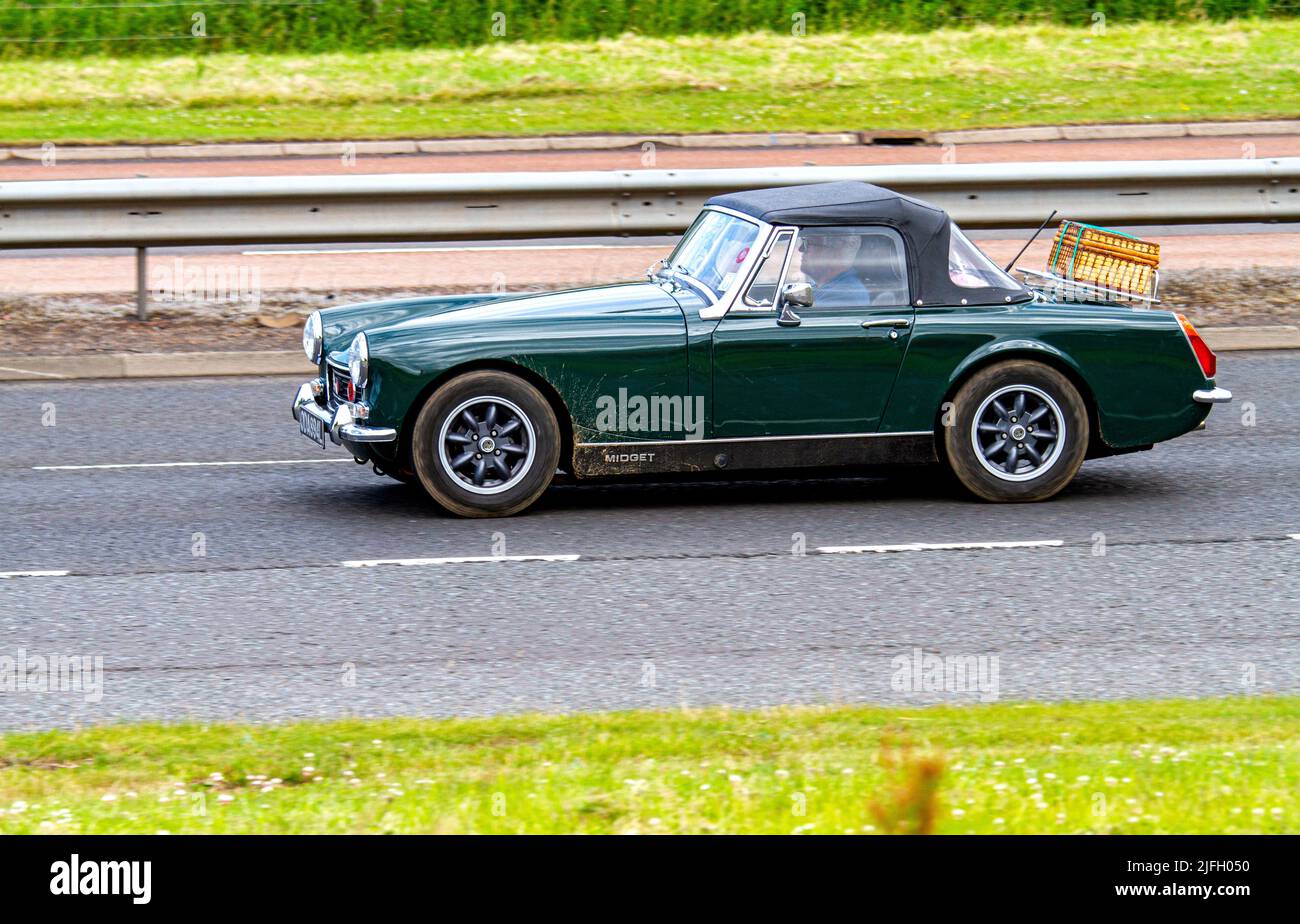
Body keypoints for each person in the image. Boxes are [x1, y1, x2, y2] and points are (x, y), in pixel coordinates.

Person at [797, 230, 873, 308]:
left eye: (808, 243)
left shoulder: (847, 294)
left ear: (835, 251)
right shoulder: (826, 287)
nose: (801, 249)